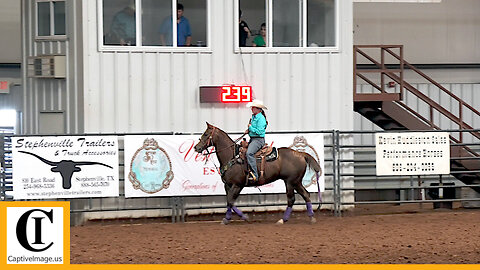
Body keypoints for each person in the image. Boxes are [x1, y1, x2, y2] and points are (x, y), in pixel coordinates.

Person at [245, 99, 268, 181]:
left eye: (253, 107)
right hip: (253, 139)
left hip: (258, 140)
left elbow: (259, 132)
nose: (251, 109)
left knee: (249, 153)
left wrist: (250, 128)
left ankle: (255, 174)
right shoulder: (254, 117)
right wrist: (249, 130)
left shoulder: (261, 119)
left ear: (258, 109)